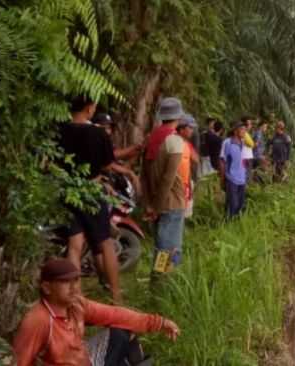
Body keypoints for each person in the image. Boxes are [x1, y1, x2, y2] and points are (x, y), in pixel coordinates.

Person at [13, 259, 180, 366]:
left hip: (82, 358)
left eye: (76, 280)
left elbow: (115, 314)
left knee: (121, 331)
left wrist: (159, 322)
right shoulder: (37, 320)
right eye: (65, 282)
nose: (74, 287)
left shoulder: (77, 304)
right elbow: (18, 362)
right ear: (47, 288)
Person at [58, 95, 121, 301]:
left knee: (74, 243)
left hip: (67, 191)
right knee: (105, 242)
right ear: (88, 108)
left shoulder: (60, 129)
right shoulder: (96, 132)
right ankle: (115, 295)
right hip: (91, 190)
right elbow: (107, 165)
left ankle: (76, 296)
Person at [141, 97, 186, 275]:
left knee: (161, 248)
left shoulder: (151, 137)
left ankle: (158, 282)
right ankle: (163, 283)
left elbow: (143, 174)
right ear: (178, 117)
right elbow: (168, 178)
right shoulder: (175, 141)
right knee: (170, 250)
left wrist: (149, 203)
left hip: (155, 201)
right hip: (171, 203)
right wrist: (156, 207)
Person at [92, 113, 141, 192]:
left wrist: (139, 149)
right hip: (98, 179)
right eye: (103, 128)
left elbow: (123, 156)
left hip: (111, 177)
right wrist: (134, 147)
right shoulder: (93, 143)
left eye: (108, 128)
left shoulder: (109, 143)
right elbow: (113, 156)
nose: (106, 131)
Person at [219, 122, 248, 218]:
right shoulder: (228, 143)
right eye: (242, 130)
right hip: (231, 178)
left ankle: (235, 224)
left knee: (240, 203)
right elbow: (222, 160)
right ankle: (228, 223)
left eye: (245, 129)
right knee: (232, 204)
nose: (245, 132)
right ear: (235, 131)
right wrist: (222, 178)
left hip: (242, 178)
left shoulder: (243, 143)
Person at [176, 113, 198, 219]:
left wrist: (189, 184)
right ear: (181, 129)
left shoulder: (186, 144)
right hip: (176, 186)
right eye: (189, 127)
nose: (192, 131)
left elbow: (190, 164)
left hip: (184, 183)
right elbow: (195, 160)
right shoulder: (176, 143)